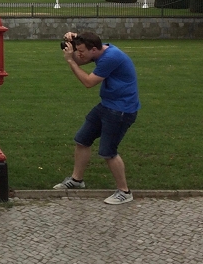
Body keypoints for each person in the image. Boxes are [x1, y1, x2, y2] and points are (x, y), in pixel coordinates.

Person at [54, 31, 140, 205]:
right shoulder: (101, 50)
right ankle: (77, 180)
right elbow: (82, 60)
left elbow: (88, 82)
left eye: (81, 51)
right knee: (82, 140)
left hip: (121, 110)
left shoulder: (111, 58)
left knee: (108, 152)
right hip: (107, 105)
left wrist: (71, 60)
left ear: (93, 49)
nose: (79, 54)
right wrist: (73, 42)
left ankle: (124, 191)